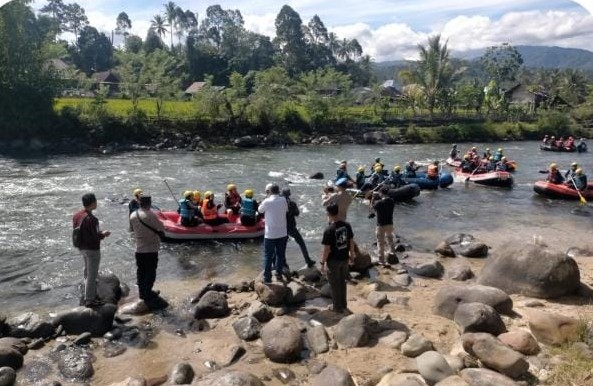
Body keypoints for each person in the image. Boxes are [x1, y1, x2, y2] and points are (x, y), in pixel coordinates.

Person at [73, 193, 111, 308]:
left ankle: (86, 292)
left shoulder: (77, 215)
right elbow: (95, 237)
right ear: (93, 203)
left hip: (81, 247)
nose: (97, 203)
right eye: (96, 201)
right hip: (92, 250)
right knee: (92, 275)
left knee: (87, 270)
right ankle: (90, 300)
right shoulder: (93, 219)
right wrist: (103, 234)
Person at [129, 196, 168, 309]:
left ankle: (142, 292)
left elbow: (132, 229)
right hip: (150, 248)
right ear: (149, 203)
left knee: (141, 271)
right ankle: (148, 293)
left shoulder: (133, 215)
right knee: (151, 272)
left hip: (139, 248)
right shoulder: (150, 215)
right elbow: (161, 227)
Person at [320, 203, 355, 314]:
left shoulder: (329, 230)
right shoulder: (347, 225)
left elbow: (327, 249)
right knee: (342, 283)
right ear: (338, 212)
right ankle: (343, 305)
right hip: (344, 258)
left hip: (333, 261)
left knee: (334, 285)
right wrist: (352, 255)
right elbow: (351, 241)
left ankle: (337, 307)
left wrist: (322, 262)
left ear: (328, 214)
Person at [258, 184, 289, 283]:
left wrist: (264, 200)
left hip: (270, 234)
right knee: (280, 255)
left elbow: (260, 210)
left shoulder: (267, 201)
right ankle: (278, 274)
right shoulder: (283, 200)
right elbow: (286, 210)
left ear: (269, 191)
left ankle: (267, 278)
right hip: (282, 232)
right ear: (278, 191)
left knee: (268, 256)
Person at [282, 187, 315, 268]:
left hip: (282, 227)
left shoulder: (280, 204)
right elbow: (297, 213)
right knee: (301, 243)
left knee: (283, 246)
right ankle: (308, 260)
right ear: (289, 194)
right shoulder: (292, 203)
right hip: (292, 227)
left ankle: (284, 263)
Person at [372, 187, 398, 266]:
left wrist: (373, 198)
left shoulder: (379, 203)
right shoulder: (392, 201)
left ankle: (381, 260)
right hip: (390, 223)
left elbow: (372, 208)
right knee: (390, 238)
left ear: (381, 193)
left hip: (381, 225)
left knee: (380, 243)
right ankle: (392, 252)